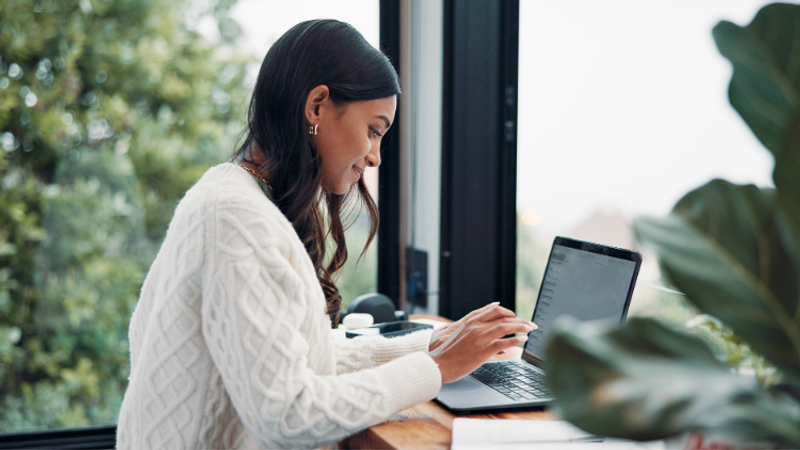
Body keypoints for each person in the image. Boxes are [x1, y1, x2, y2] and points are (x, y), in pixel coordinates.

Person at [116, 19, 535, 449]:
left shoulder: (233, 197)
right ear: (316, 106)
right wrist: (438, 369)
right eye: (373, 130)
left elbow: (303, 361)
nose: (374, 157)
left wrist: (431, 346)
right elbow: (289, 414)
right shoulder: (236, 220)